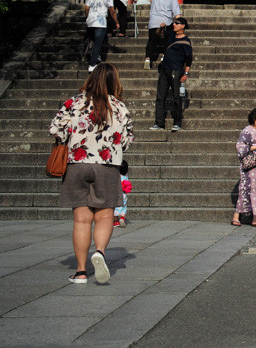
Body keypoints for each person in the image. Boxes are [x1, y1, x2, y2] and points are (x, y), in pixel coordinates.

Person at [50, 63, 134, 283]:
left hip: (77, 165)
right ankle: (99, 252)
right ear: (113, 81)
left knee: (81, 220)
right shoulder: (119, 106)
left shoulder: (73, 102)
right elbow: (126, 141)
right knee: (105, 216)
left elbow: (56, 129)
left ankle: (80, 272)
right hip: (107, 166)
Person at [151, 17, 191, 132]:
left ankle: (177, 122)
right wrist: (161, 27)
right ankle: (159, 123)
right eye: (174, 23)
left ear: (183, 26)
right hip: (164, 70)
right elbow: (158, 34)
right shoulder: (170, 35)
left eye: (177, 23)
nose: (174, 25)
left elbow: (189, 59)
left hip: (176, 71)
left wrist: (186, 73)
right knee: (160, 97)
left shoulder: (186, 41)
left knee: (176, 98)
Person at [232, 108, 256, 227]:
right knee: (245, 188)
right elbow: (240, 147)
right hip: (249, 165)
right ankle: (236, 215)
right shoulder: (247, 131)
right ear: (254, 118)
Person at [145, 0, 181, 69]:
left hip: (153, 22)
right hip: (166, 22)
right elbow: (177, 14)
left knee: (151, 41)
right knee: (169, 39)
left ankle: (148, 58)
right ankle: (164, 56)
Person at [84, 0, 117, 72]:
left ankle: (96, 56)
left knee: (95, 40)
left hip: (91, 21)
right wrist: (116, 22)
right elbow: (112, 11)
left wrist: (87, 17)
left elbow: (86, 8)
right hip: (100, 22)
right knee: (98, 43)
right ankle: (92, 64)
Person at [113, 161, 131, 228]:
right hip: (124, 195)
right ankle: (122, 218)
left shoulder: (117, 177)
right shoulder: (126, 177)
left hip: (118, 195)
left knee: (116, 208)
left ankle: (116, 221)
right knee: (123, 206)